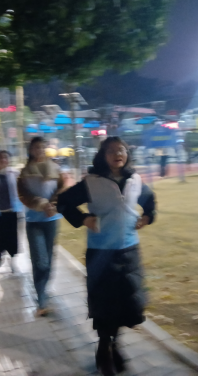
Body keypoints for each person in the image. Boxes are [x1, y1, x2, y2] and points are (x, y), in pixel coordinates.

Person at [57, 137, 156, 376]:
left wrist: (147, 217)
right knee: (104, 302)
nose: (117, 154)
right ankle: (104, 346)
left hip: (129, 250)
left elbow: (149, 201)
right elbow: (63, 202)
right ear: (103, 156)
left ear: (127, 154)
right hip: (101, 252)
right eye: (111, 151)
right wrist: (84, 219)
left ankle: (114, 344)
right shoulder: (91, 182)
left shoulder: (135, 179)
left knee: (125, 301)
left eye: (121, 150)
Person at [18, 137, 67, 316]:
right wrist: (42, 204)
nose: (39, 150)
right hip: (33, 221)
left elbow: (61, 189)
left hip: (52, 220)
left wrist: (52, 205)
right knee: (40, 260)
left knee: (49, 259)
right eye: (36, 147)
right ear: (30, 150)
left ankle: (44, 290)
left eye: (42, 147)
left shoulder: (55, 168)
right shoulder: (25, 172)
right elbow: (23, 195)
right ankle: (41, 300)